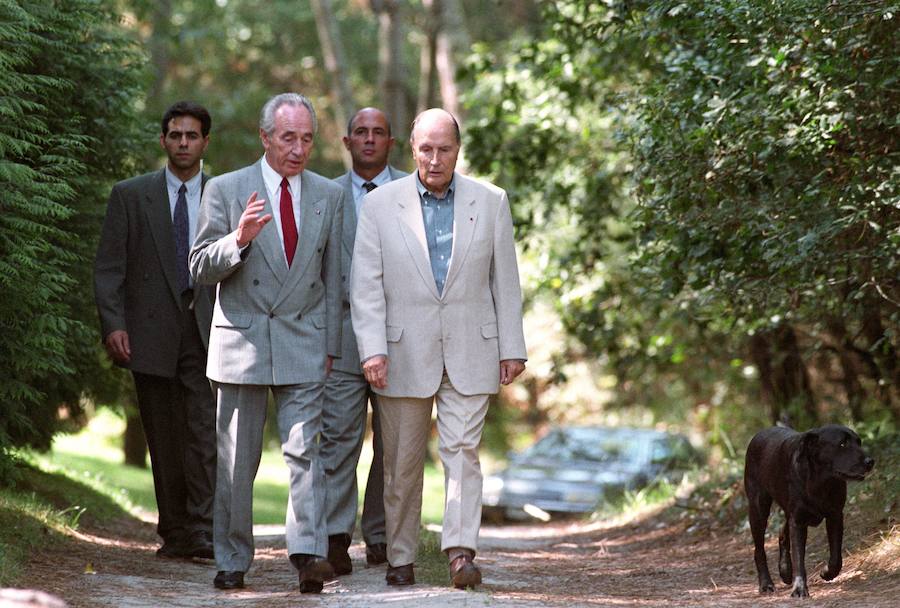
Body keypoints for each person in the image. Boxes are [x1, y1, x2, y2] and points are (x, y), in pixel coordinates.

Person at [350, 108, 527, 589]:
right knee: (401, 464)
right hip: (402, 351)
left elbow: (505, 281)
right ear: (412, 149)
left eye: (444, 149)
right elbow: (365, 286)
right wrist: (371, 350)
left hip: (473, 348)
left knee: (463, 452)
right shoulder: (381, 205)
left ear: (457, 150)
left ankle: (460, 553)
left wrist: (512, 347)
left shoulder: (490, 201)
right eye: (425, 149)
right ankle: (401, 556)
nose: (434, 159)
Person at [189, 93, 344, 593]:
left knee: (306, 453)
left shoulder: (328, 194)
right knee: (237, 461)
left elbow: (335, 278)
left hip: (305, 338)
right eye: (287, 138)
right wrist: (238, 238)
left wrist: (332, 345)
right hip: (242, 342)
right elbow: (198, 267)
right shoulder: (226, 188)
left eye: (306, 139)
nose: (297, 150)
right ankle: (232, 559)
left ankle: (310, 555)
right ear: (264, 138)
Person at [94, 101, 217, 560]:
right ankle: (176, 531)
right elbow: (109, 268)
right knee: (163, 437)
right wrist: (114, 325)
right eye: (175, 135)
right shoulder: (131, 195)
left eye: (192, 135)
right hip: (149, 333)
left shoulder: (223, 194)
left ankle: (204, 529)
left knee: (204, 433)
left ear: (205, 141)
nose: (183, 142)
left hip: (209, 332)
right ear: (163, 140)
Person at [323, 108, 407, 574]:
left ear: (391, 142)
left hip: (398, 338)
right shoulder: (327, 194)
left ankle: (380, 534)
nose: (369, 140)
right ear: (347, 140)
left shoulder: (411, 194)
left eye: (378, 132)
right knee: (338, 440)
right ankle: (336, 537)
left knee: (393, 444)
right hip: (341, 339)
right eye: (361, 132)